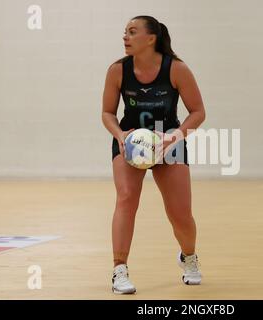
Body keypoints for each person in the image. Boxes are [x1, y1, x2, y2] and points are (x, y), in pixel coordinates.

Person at [101, 15, 206, 294]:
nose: (125, 36)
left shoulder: (177, 69)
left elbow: (198, 112)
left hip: (167, 140)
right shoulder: (117, 70)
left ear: (151, 38)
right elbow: (107, 113)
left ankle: (189, 257)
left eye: (132, 32)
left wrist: (174, 136)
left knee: (180, 214)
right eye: (125, 32)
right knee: (126, 200)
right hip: (131, 140)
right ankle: (119, 269)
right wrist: (121, 136)